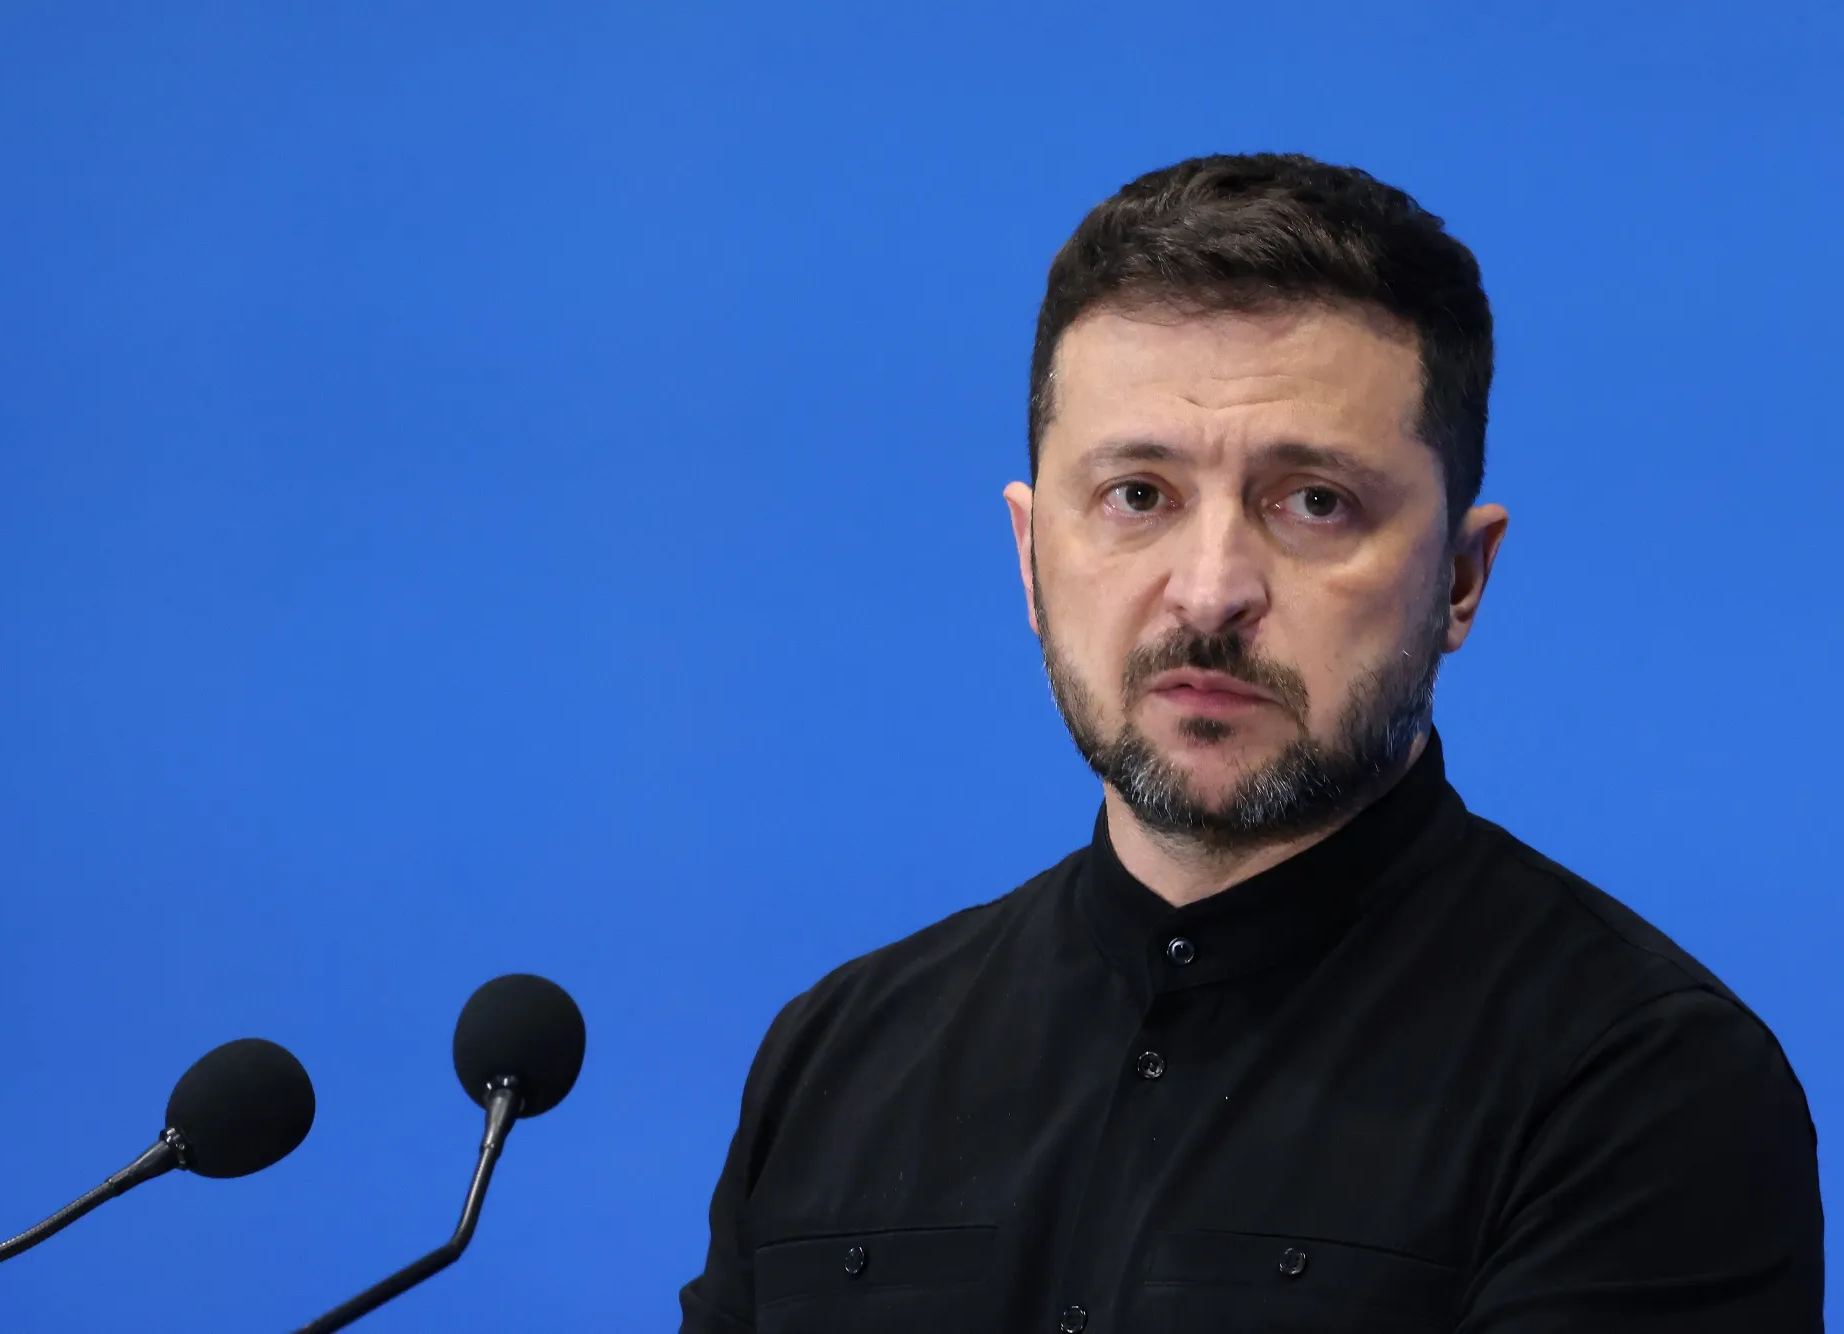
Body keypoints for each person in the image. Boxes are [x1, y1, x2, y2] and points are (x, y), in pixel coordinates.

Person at [677, 153, 1824, 1333]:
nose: (1209, 589)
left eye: (1312, 500)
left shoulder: (1639, 1086)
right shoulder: (838, 1057)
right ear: (1029, 556)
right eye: (1137, 495)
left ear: (1460, 577)